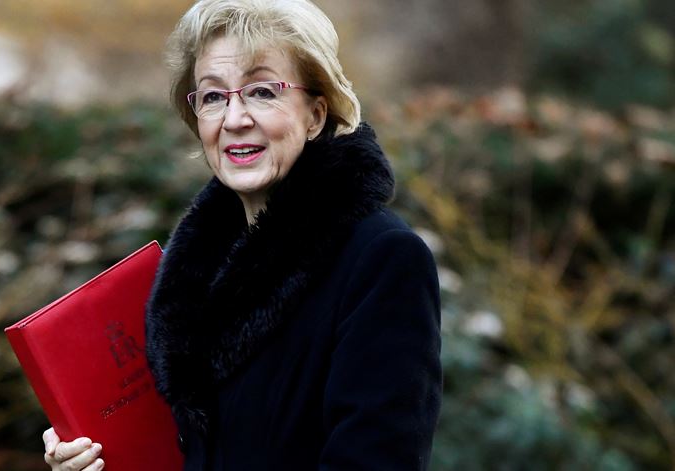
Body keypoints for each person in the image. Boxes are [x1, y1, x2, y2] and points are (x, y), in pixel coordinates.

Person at [43, 0, 442, 469]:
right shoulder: (186, 276)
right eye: (213, 97)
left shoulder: (382, 259)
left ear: (316, 114)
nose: (234, 119)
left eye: (262, 91)